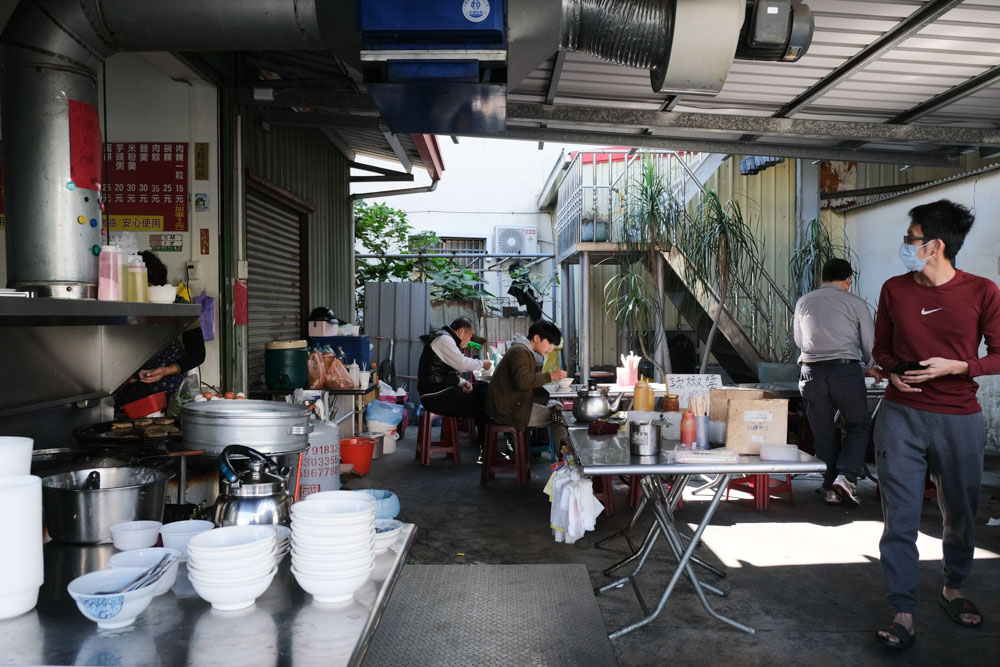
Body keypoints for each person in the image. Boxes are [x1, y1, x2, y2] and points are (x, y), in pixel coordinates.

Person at [871, 199, 1000, 649]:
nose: (905, 246)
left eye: (911, 239)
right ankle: (903, 609)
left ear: (936, 246)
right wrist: (891, 371)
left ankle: (954, 587)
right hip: (899, 416)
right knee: (899, 517)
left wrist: (958, 367)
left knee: (960, 512)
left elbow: (998, 355)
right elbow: (881, 351)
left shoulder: (983, 291)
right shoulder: (894, 289)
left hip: (959, 418)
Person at [793, 257, 879, 506]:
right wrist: (871, 367)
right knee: (859, 425)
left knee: (823, 433)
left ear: (822, 279)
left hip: (810, 373)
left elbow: (799, 340)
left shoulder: (804, 301)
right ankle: (846, 476)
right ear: (848, 280)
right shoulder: (856, 303)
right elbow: (869, 343)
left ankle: (831, 487)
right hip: (844, 372)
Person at [114, 250, 206, 408]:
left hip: (168, 396)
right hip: (127, 398)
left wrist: (166, 370)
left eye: (147, 287)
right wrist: (120, 377)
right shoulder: (119, 306)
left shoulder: (180, 307)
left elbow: (197, 353)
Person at [486, 320, 569, 450]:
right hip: (509, 410)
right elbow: (523, 381)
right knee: (559, 417)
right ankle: (565, 461)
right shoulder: (520, 352)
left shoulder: (523, 350)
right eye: (549, 343)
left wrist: (547, 393)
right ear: (537, 338)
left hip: (509, 404)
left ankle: (562, 457)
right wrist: (550, 376)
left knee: (555, 405)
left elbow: (527, 382)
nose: (550, 348)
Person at [417, 317, 493, 445]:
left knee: (482, 388)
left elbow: (448, 373)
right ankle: (487, 450)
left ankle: (486, 449)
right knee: (484, 406)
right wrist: (482, 364)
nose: (469, 341)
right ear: (461, 332)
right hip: (435, 397)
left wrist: (462, 382)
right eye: (469, 336)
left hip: (441, 392)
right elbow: (462, 364)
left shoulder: (446, 339)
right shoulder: (444, 340)